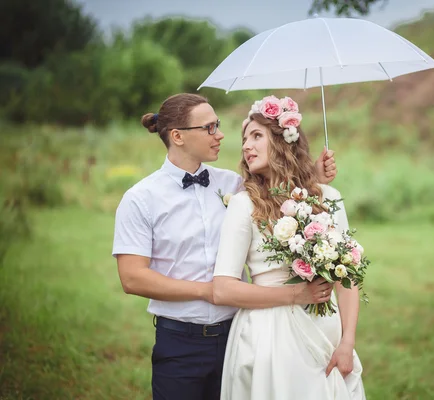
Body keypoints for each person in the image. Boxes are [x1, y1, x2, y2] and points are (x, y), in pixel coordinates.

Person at [111, 93, 338, 400]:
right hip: (179, 342)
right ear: (177, 136)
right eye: (209, 128)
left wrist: (314, 177)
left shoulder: (233, 185)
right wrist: (206, 290)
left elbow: (280, 192)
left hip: (238, 335)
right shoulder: (141, 199)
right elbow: (132, 278)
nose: (219, 134)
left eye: (217, 124)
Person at [212, 95, 366, 400]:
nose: (246, 146)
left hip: (324, 329)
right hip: (269, 336)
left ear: (284, 141)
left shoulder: (328, 197)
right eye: (245, 138)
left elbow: (347, 277)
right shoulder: (244, 205)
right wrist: (296, 294)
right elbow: (223, 289)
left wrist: (347, 343)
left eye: (257, 136)